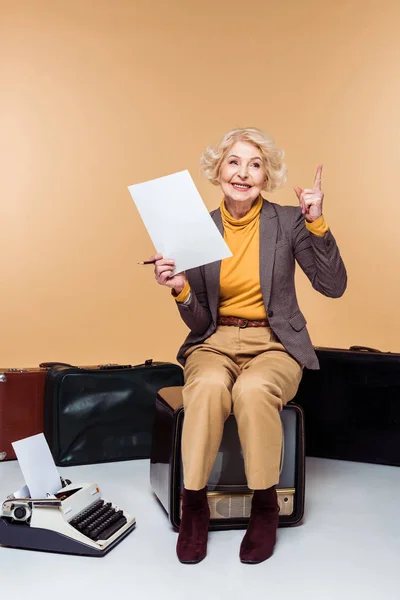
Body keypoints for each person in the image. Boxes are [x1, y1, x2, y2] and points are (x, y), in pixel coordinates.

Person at [150, 127, 347, 564]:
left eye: (255, 164)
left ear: (266, 176)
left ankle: (264, 507)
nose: (242, 173)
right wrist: (181, 289)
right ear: (218, 169)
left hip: (275, 343)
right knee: (205, 389)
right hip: (214, 340)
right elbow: (201, 319)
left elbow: (333, 286)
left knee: (254, 391)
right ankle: (194, 505)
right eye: (234, 162)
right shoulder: (196, 230)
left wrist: (316, 223)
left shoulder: (289, 221)